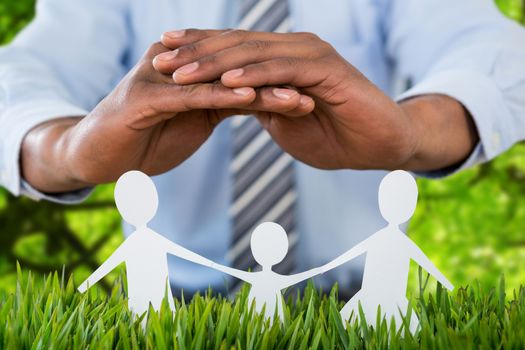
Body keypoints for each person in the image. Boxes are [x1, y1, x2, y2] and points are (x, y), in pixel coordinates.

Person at [1, 0, 524, 297]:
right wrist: (67, 149)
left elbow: (499, 54)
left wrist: (413, 130)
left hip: (363, 294)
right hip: (167, 297)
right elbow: (20, 76)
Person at [320, 170, 454, 333]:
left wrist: (445, 282)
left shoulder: (400, 242)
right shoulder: (381, 238)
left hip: (390, 297)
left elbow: (424, 263)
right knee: (345, 328)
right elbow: (352, 254)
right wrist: (324, 268)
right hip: (368, 294)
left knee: (406, 332)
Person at [78, 171, 214, 315]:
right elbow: (109, 265)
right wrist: (85, 285)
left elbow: (187, 255)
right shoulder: (139, 242)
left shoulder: (152, 240)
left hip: (178, 283)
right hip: (160, 286)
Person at [210, 222, 322, 321]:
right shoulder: (265, 278)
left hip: (322, 292)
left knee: (274, 320)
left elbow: (297, 278)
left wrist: (318, 270)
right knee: (251, 319)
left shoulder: (270, 279)